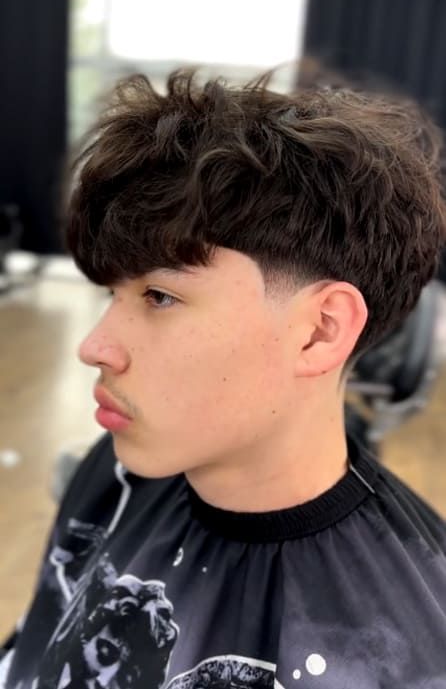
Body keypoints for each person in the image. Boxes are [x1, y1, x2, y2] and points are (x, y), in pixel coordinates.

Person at [1, 70, 446, 689]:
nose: (94, 346)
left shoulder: (406, 655)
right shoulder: (117, 471)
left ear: (319, 330)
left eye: (159, 295)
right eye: (112, 292)